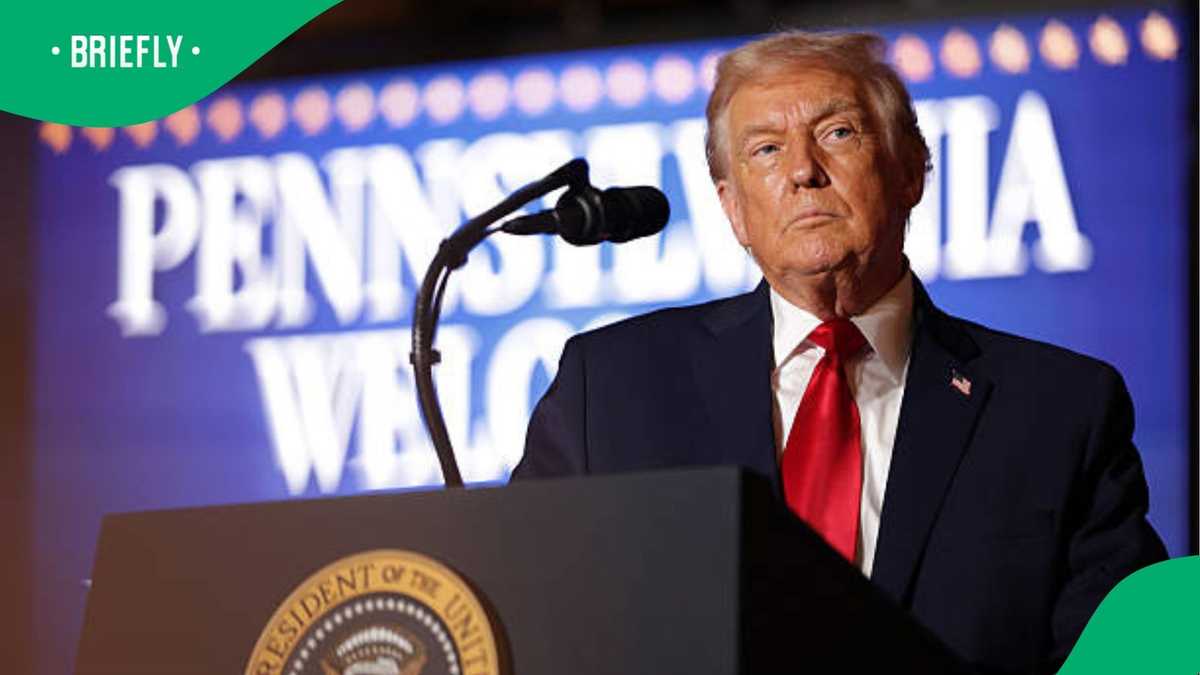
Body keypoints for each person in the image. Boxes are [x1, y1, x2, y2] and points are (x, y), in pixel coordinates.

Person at [510, 31, 1165, 673]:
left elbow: (1131, 655)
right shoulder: (610, 388)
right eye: (766, 149)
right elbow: (523, 620)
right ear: (733, 209)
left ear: (909, 170)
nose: (803, 170)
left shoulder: (1058, 409)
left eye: (838, 132)